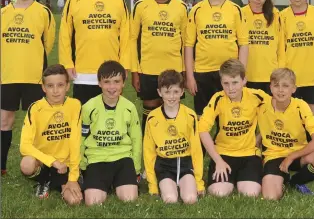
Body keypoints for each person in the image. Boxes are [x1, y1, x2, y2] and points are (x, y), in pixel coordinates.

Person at [1, 0, 56, 176]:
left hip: (34, 77)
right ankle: (2, 166)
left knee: (36, 122)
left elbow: (47, 44)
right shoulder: (3, 13)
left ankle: (39, 164)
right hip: (8, 76)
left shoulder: (44, 13)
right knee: (5, 121)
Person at [59, 0, 130, 105]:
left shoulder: (118, 1)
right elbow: (65, 34)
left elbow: (126, 37)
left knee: (110, 120)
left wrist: (123, 65)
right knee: (85, 120)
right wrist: (67, 63)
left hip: (111, 72)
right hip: (83, 72)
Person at [184, 0, 248, 118]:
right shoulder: (196, 10)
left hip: (229, 73)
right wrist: (190, 76)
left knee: (227, 117)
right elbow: (188, 46)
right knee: (203, 117)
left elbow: (244, 44)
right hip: (202, 72)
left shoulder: (235, 10)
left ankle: (224, 143)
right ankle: (204, 143)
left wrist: (241, 74)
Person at [130, 0, 188, 136]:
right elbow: (132, 40)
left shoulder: (181, 7)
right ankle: (149, 146)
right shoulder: (141, 6)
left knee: (171, 110)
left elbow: (186, 43)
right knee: (150, 111)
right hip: (147, 69)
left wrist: (184, 71)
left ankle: (169, 147)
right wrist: (135, 72)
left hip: (173, 70)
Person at [258, 68, 314, 200]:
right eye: (276, 85)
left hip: (298, 154)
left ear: (294, 88)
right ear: (270, 87)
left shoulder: (300, 106)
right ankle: (281, 178)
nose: (280, 90)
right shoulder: (261, 104)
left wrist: (291, 157)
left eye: (285, 86)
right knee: (270, 197)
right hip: (274, 155)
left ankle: (295, 181)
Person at [198, 59, 265, 197]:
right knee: (219, 193)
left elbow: (275, 113)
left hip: (249, 154)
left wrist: (261, 135)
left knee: (250, 193)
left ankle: (244, 176)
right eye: (226, 83)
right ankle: (229, 176)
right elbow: (202, 130)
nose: (230, 88)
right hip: (224, 153)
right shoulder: (218, 99)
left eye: (235, 82)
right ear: (221, 82)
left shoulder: (257, 96)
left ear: (244, 80)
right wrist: (218, 160)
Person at [80, 60, 142, 206]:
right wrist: (82, 166)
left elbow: (136, 139)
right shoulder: (89, 107)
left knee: (129, 199)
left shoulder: (129, 107)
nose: (112, 87)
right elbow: (81, 138)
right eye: (107, 82)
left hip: (122, 158)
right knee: (93, 202)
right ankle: (104, 183)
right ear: (99, 83)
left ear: (123, 83)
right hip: (97, 159)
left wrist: (136, 168)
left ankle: (119, 182)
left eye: (116, 81)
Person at [19, 64, 82, 204]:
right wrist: (53, 162)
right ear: (43, 87)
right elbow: (24, 146)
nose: (55, 91)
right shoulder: (35, 108)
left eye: (60, 85)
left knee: (75, 201)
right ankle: (44, 179)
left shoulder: (75, 105)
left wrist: (73, 178)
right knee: (26, 164)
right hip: (44, 161)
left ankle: (52, 181)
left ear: (67, 86)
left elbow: (75, 141)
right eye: (50, 86)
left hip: (65, 164)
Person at [143, 70, 204, 204]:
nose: (171, 96)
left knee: (190, 199)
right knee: (170, 199)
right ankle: (166, 186)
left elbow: (196, 150)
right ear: (160, 92)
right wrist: (152, 185)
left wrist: (199, 182)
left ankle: (187, 183)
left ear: (182, 92)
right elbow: (149, 152)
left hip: (185, 165)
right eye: (167, 92)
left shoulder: (190, 115)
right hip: (165, 166)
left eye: (176, 92)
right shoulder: (152, 118)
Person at [242, 0, 285, 94]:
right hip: (247, 75)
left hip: (270, 75)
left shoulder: (275, 14)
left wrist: (280, 71)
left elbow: (281, 46)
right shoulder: (240, 13)